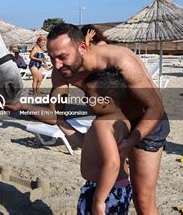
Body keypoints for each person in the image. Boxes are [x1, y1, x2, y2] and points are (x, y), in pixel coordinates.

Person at [7, 23, 169, 214]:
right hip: (109, 124)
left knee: (142, 199)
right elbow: (57, 116)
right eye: (52, 58)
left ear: (82, 47)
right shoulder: (60, 73)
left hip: (145, 121)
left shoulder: (119, 60)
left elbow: (155, 107)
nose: (57, 65)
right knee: (108, 185)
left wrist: (131, 140)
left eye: (62, 57)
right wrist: (22, 106)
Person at [57, 67, 132, 215]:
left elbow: (112, 163)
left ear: (106, 101)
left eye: (88, 96)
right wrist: (62, 123)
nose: (84, 100)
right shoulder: (122, 120)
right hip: (119, 188)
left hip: (103, 190)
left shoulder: (101, 125)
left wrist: (98, 200)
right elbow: (86, 143)